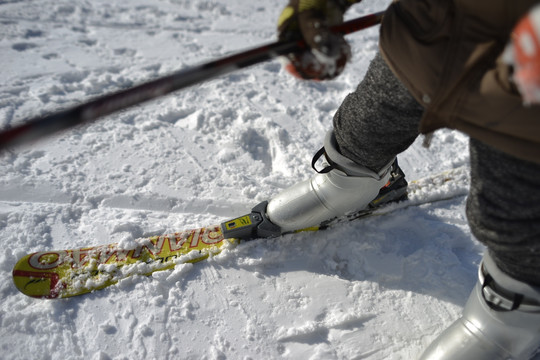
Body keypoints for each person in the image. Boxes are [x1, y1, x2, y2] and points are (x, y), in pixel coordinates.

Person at [245, 0, 540, 358]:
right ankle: (352, 182)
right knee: (361, 130)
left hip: (526, 88)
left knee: (513, 216)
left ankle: (513, 313)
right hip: (427, 35)